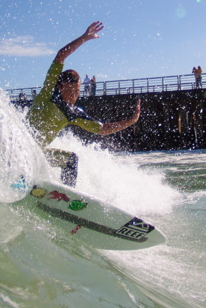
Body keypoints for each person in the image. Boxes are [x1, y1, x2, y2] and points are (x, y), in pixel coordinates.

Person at [26, 21, 141, 187]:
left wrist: (131, 121)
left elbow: (102, 129)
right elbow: (60, 56)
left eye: (77, 91)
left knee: (71, 160)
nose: (74, 95)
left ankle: (65, 196)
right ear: (60, 86)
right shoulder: (49, 92)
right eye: (70, 90)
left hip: (38, 153)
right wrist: (84, 38)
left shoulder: (73, 112)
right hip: (21, 145)